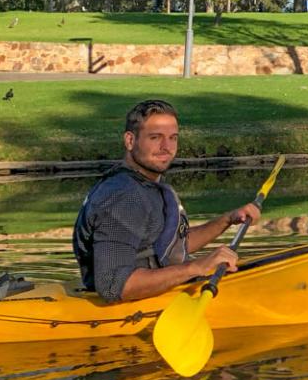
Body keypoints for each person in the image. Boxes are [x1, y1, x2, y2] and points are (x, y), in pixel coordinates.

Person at [72, 99, 261, 303]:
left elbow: (173, 245)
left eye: (173, 138)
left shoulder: (145, 184)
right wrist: (196, 267)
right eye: (155, 137)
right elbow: (114, 286)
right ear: (129, 140)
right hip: (124, 306)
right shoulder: (124, 196)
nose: (166, 147)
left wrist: (227, 220)